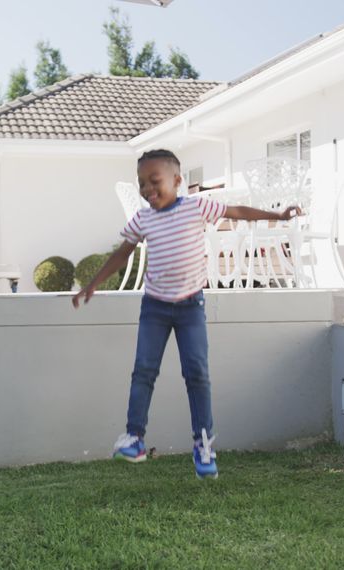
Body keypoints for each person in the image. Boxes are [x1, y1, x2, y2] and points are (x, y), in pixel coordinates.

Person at [72, 149, 300, 479]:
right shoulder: (143, 218)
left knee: (197, 374)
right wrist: (92, 284)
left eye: (155, 181)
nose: (148, 190)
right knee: (143, 371)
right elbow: (123, 254)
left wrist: (277, 216)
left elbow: (236, 211)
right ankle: (134, 438)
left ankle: (203, 444)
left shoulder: (196, 206)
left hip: (191, 306)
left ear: (177, 181)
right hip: (155, 307)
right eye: (142, 184)